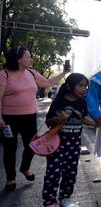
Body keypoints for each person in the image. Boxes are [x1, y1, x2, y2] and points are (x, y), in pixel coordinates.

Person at [0, 46, 70, 191]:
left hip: (29, 116)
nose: (31, 59)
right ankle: (10, 178)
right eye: (28, 56)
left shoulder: (32, 73)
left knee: (32, 145)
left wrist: (64, 73)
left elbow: (48, 83)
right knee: (9, 148)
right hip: (8, 118)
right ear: (19, 59)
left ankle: (25, 168)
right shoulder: (4, 74)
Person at [41, 73, 97, 207]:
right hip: (57, 144)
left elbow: (83, 118)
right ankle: (49, 205)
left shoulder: (82, 102)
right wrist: (59, 119)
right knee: (53, 174)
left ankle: (65, 198)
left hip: (74, 143)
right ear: (69, 86)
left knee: (70, 172)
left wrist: (97, 123)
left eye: (86, 86)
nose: (84, 89)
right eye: (80, 85)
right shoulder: (59, 101)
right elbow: (49, 121)